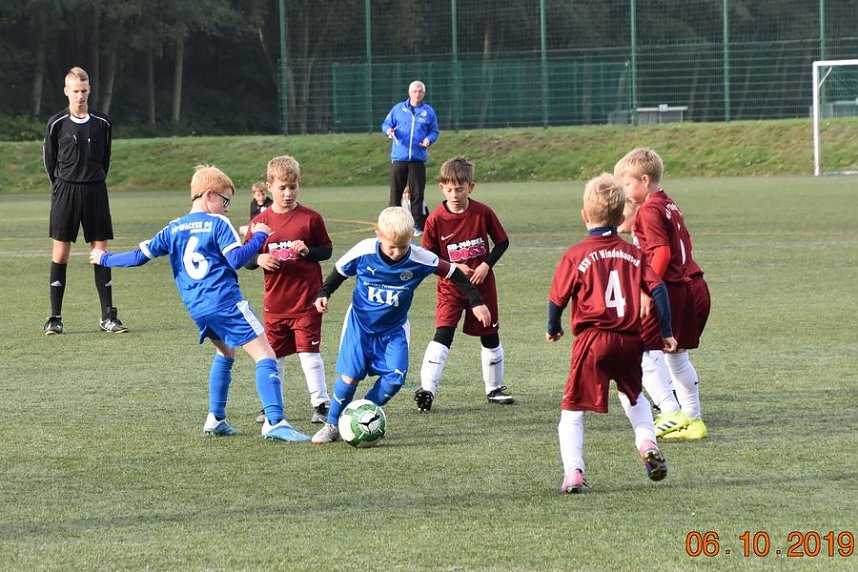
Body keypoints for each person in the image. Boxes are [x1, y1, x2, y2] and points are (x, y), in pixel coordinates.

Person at [89, 165, 309, 442]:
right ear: (208, 196)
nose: (227, 208)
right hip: (225, 302)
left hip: (197, 307)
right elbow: (237, 260)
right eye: (225, 201)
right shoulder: (218, 224)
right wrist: (261, 236)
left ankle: (215, 418)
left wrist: (104, 258)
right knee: (266, 356)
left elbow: (138, 257)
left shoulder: (173, 227)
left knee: (226, 353)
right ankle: (275, 422)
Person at [310, 207, 491, 444]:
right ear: (378, 235)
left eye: (403, 247)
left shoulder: (418, 257)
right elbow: (340, 271)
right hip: (360, 326)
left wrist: (477, 302)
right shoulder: (364, 250)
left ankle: (358, 414)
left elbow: (454, 273)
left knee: (395, 379)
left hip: (394, 330)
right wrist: (324, 293)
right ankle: (333, 424)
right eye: (391, 246)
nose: (397, 253)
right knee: (350, 377)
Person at [546, 173, 677, 494]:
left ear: (584, 216)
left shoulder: (576, 254)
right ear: (621, 219)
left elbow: (556, 298)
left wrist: (554, 327)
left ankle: (574, 473)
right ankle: (647, 442)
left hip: (593, 341)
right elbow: (658, 290)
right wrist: (666, 331)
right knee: (633, 397)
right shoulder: (634, 253)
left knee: (572, 410)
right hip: (631, 340)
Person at [614, 148, 709, 441]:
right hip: (690, 284)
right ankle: (693, 420)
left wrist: (646, 288)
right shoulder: (668, 204)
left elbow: (662, 253)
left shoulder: (649, 210)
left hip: (668, 288)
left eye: (626, 184)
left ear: (644, 179)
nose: (624, 191)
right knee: (676, 355)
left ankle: (670, 411)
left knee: (637, 350)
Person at [415, 156, 513, 412]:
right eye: (449, 189)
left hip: (482, 284)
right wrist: (453, 267)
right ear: (441, 188)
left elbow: (502, 242)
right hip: (450, 288)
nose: (454, 194)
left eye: (460, 188)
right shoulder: (435, 219)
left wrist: (485, 265)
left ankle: (494, 388)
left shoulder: (483, 212)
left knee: (489, 333)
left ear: (471, 186)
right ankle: (427, 391)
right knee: (443, 333)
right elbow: (427, 257)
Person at [244, 156, 333, 424]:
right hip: (276, 303)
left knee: (309, 353)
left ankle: (320, 403)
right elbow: (244, 257)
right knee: (274, 356)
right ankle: (272, 405)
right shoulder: (260, 223)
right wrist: (258, 259)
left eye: (292, 187)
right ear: (269, 186)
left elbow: (326, 250)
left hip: (307, 300)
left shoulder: (310, 218)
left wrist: (308, 251)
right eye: (282, 187)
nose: (287, 193)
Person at [43, 66, 127, 335]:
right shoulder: (56, 123)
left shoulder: (103, 123)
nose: (80, 96)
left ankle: (108, 317)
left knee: (99, 253)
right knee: (61, 253)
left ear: (89, 91)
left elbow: (106, 159)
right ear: (66, 91)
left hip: (95, 191)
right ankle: (54, 318)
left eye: (84, 91)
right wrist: (62, 186)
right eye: (75, 91)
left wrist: (94, 178)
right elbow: (49, 161)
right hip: (66, 191)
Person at [382, 80, 439, 236]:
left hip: (417, 159)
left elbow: (434, 131)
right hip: (399, 158)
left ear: (424, 93)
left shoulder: (428, 112)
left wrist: (429, 140)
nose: (417, 94)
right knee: (396, 194)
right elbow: (385, 124)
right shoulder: (398, 109)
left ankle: (417, 226)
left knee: (417, 195)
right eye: (414, 91)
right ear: (409, 93)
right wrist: (388, 131)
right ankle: (392, 225)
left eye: (420, 91)